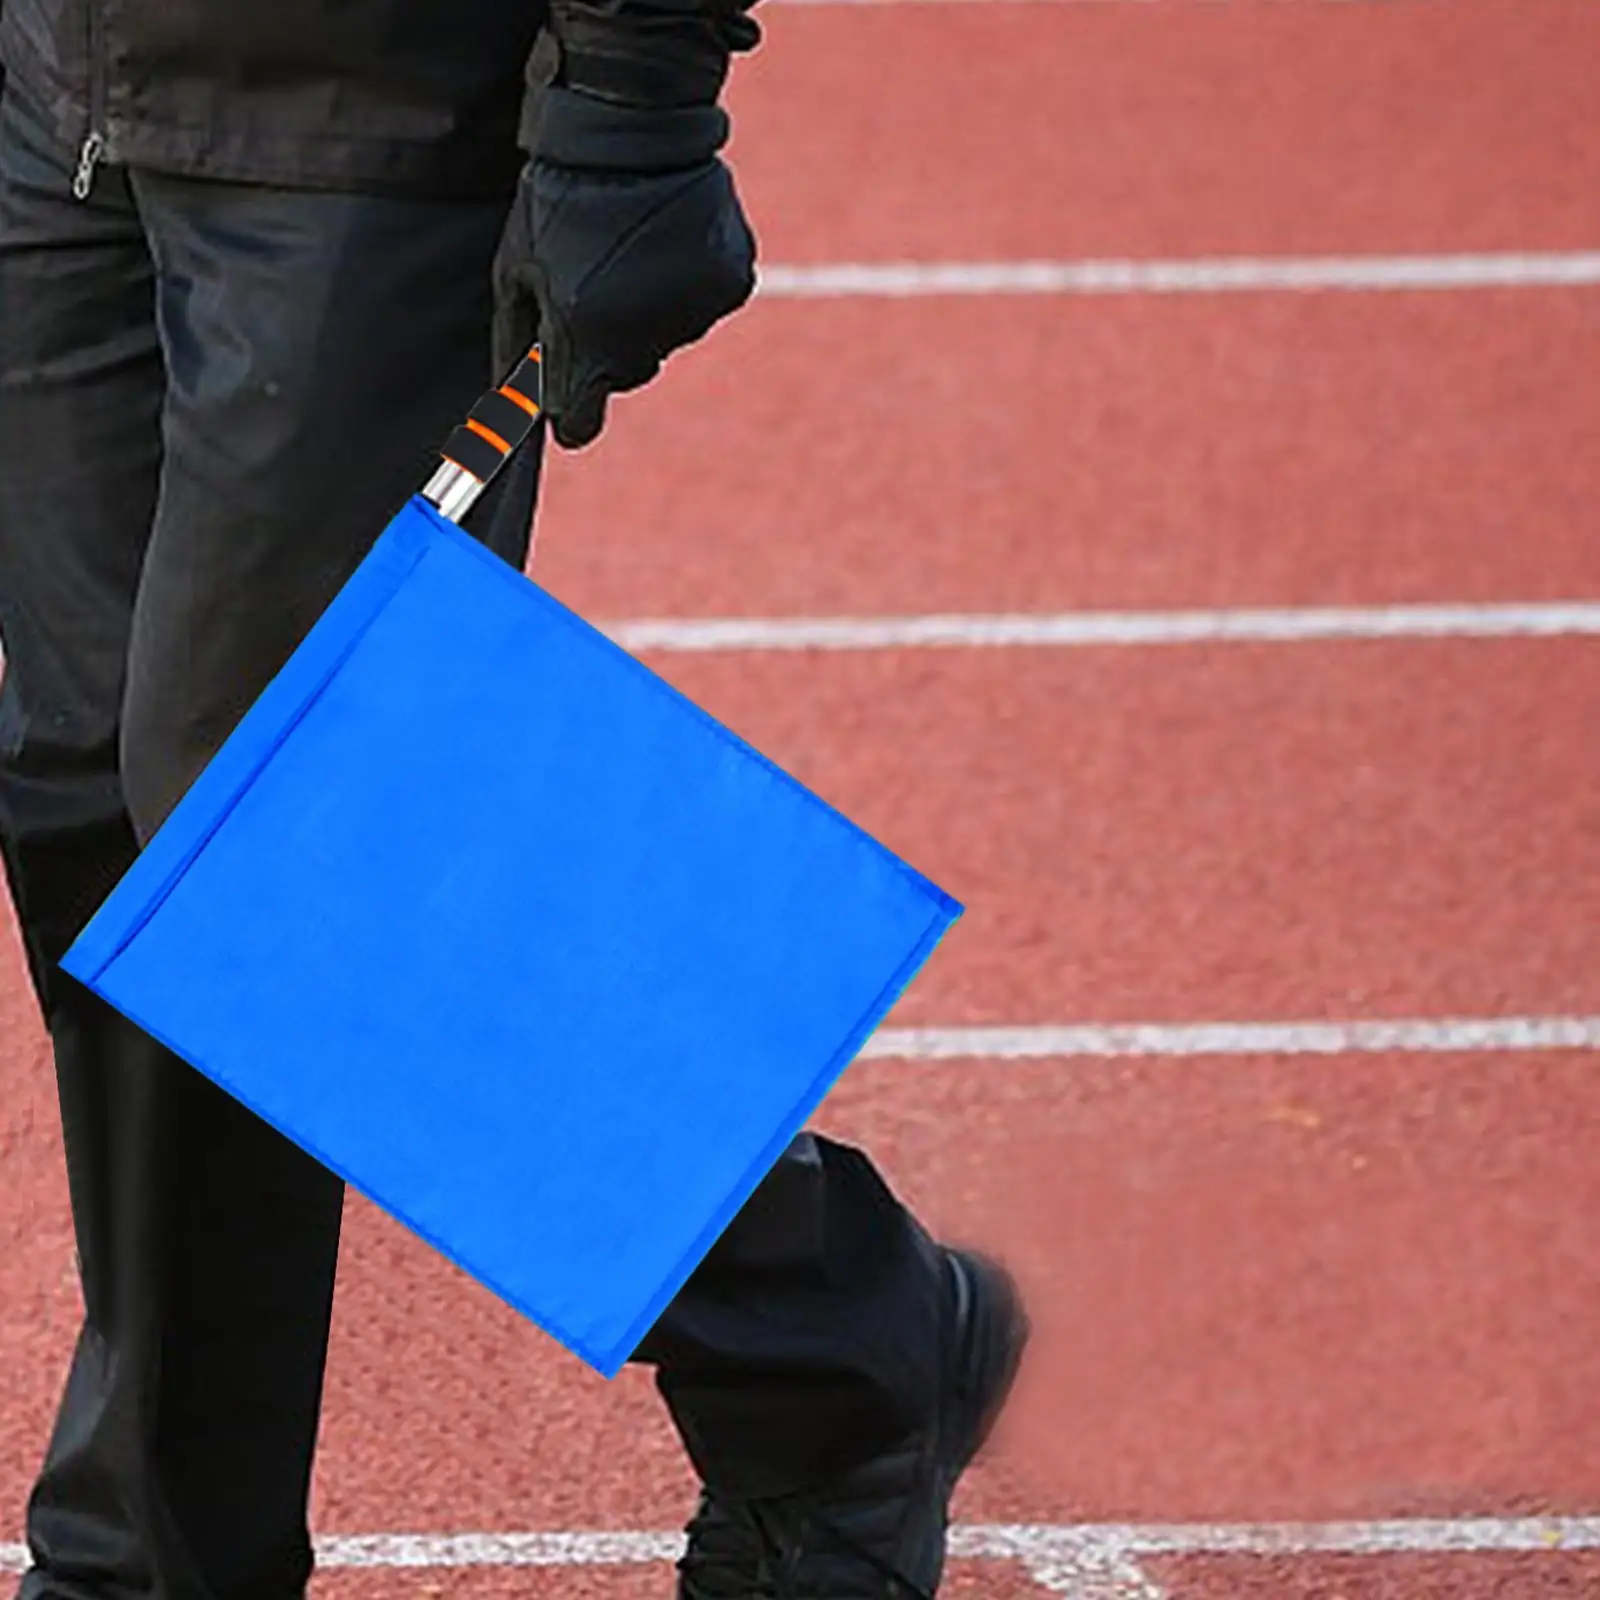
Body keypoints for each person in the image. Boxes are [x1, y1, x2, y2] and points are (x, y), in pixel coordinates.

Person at [0, 3, 1029, 1599]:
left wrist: (634, 88)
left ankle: (833, 1336)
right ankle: (157, 1554)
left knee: (276, 810)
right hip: (53, 86)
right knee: (92, 810)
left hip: (367, 108)